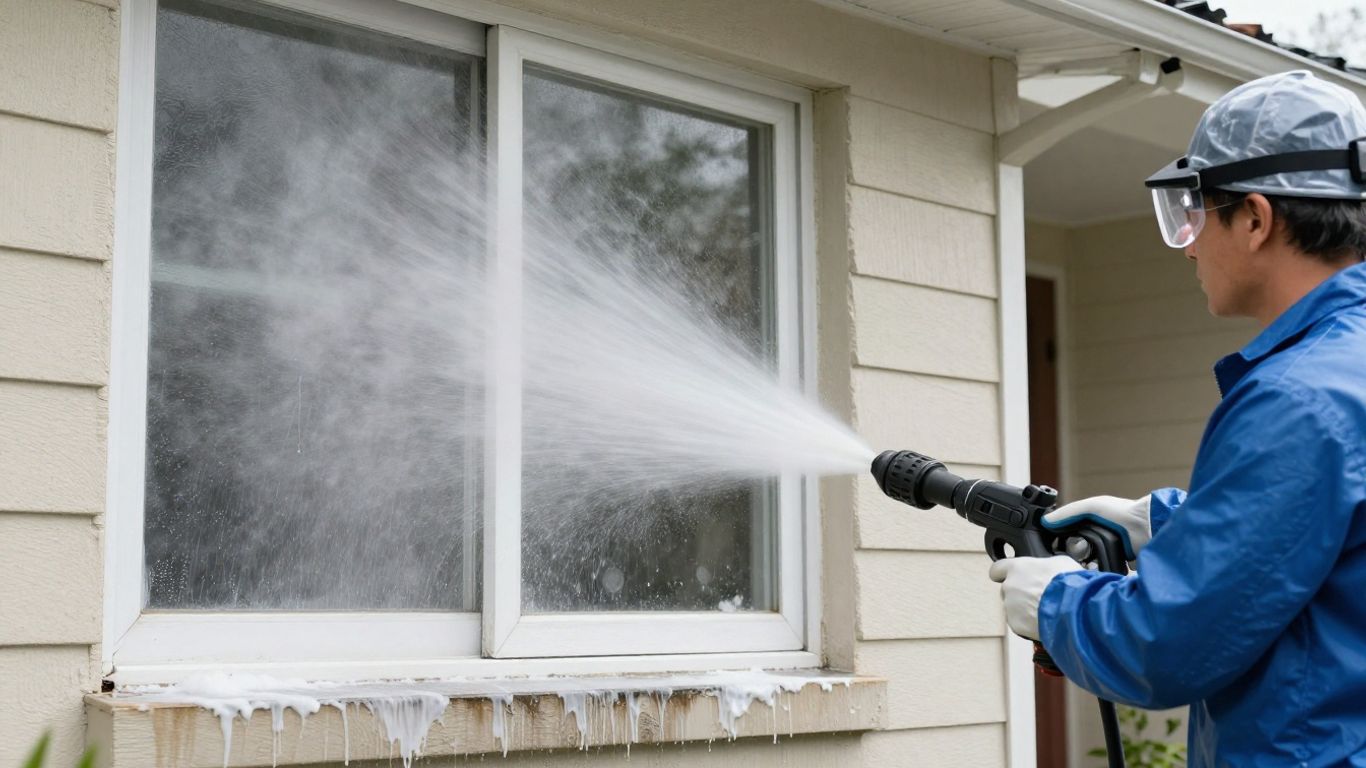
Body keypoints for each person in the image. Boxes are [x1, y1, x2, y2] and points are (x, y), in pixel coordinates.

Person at [988, 69, 1366, 766]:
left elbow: (1168, 644)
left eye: (1195, 213)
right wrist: (1163, 519)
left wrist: (1056, 603)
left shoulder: (1298, 398)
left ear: (1254, 218)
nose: (1189, 244)